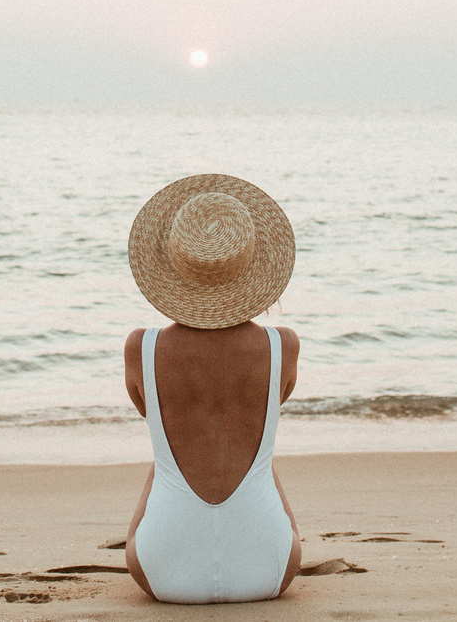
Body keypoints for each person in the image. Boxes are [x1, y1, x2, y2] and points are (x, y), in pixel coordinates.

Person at [121, 173, 303, 604]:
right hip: (269, 567)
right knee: (260, 455)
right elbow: (270, 408)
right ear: (254, 264)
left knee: (164, 456)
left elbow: (153, 416)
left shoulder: (141, 348)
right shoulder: (283, 346)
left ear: (171, 265)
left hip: (163, 571)